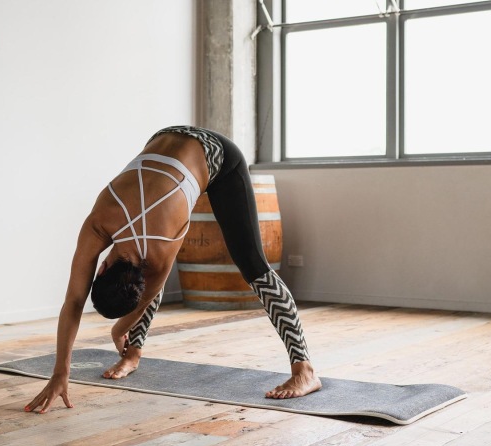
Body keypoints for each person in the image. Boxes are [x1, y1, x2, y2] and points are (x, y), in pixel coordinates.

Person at [25, 126, 322, 414]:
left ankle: (305, 370)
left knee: (255, 267)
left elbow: (127, 298)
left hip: (219, 156)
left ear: (101, 268)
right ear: (102, 269)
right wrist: (60, 373)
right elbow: (80, 301)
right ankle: (133, 355)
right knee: (155, 274)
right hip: (167, 137)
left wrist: (118, 330)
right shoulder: (100, 223)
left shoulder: (161, 244)